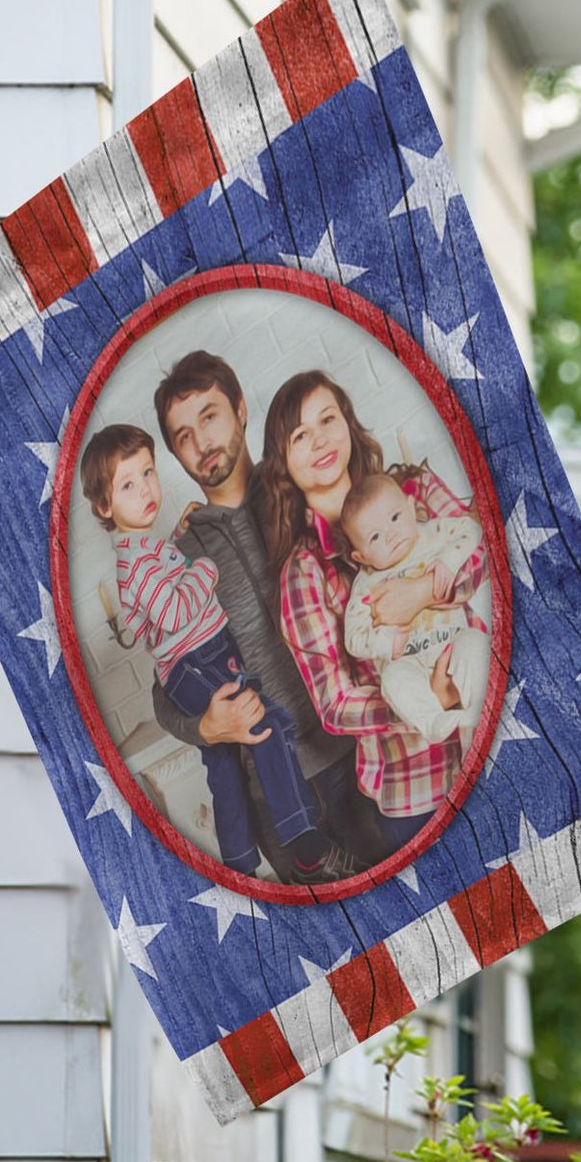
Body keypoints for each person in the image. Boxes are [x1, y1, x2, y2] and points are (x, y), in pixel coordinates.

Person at [145, 351, 378, 875]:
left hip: (366, 751)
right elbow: (164, 691)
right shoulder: (177, 559)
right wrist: (205, 727)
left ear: (242, 410)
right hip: (280, 797)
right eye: (183, 436)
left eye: (210, 416)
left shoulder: (306, 490)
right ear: (177, 457)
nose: (202, 442)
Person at [79, 422, 336, 882]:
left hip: (196, 658)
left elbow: (139, 624)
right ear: (104, 505)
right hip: (199, 661)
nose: (146, 490)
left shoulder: (141, 550)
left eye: (149, 472)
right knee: (269, 724)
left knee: (221, 759)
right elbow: (174, 613)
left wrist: (176, 546)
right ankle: (301, 835)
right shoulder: (134, 562)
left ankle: (237, 858)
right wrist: (204, 569)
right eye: (128, 484)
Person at [255, 370, 489, 852]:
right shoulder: (303, 573)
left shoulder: (413, 489)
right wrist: (429, 697)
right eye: (301, 435)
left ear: (348, 423)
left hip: (491, 719)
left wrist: (423, 590)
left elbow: (483, 552)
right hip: (414, 786)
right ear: (283, 462)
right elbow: (335, 705)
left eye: (328, 419)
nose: (320, 439)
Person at [340, 472, 491, 753]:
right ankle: (433, 721)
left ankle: (480, 714)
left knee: (475, 643)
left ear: (411, 507)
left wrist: (448, 561)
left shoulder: (431, 534)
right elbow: (354, 638)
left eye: (395, 517)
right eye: (375, 537)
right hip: (409, 663)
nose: (391, 535)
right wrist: (387, 643)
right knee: (394, 680)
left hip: (452, 642)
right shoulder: (365, 585)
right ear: (360, 556)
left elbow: (472, 530)